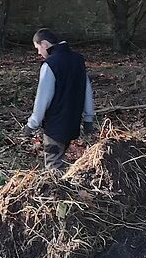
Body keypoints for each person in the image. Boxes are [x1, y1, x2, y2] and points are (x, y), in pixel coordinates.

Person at [21, 28, 95, 170]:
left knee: (53, 167)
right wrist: (88, 119)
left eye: (37, 48)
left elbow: (43, 98)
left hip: (55, 126)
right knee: (63, 162)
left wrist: (32, 124)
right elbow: (87, 90)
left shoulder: (50, 64)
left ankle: (58, 191)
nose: (38, 53)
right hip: (73, 123)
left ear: (44, 44)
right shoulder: (78, 60)